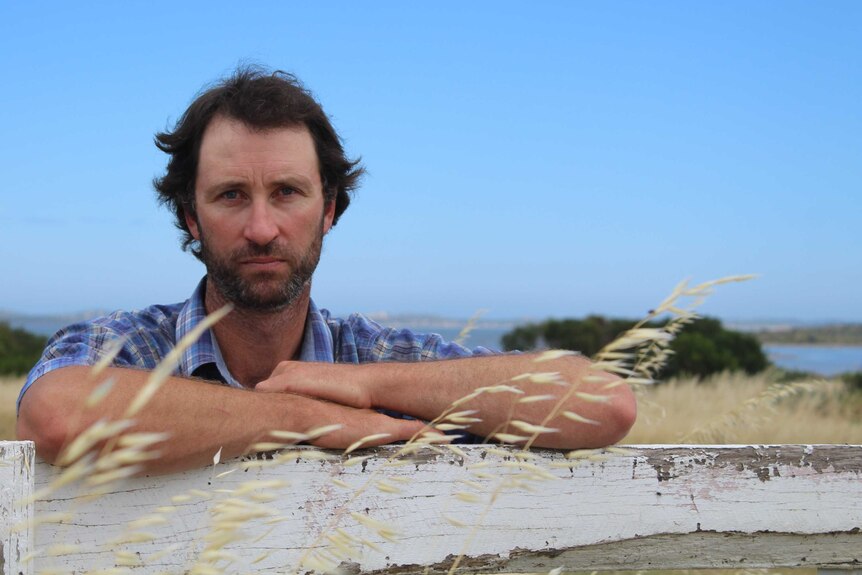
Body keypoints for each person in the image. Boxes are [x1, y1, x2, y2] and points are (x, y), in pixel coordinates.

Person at [17, 67, 636, 474]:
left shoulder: (375, 356)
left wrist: (367, 388)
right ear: (190, 218)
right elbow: (58, 412)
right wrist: (305, 417)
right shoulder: (134, 346)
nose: (262, 228)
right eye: (231, 195)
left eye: (288, 192)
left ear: (330, 209)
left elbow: (604, 404)